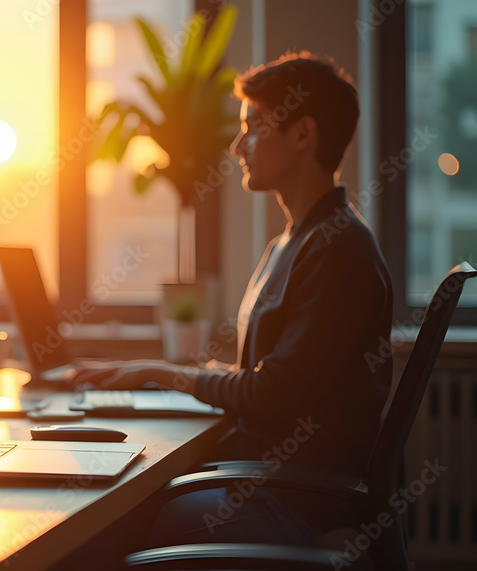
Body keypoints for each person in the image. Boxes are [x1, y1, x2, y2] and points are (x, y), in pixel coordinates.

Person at [69, 51, 392, 560]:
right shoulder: (295, 240)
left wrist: (163, 372)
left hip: (294, 500)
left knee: (102, 524)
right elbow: (269, 376)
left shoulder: (336, 249)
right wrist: (158, 372)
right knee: (112, 504)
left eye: (253, 128)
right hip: (269, 480)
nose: (238, 145)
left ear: (303, 135)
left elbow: (270, 392)